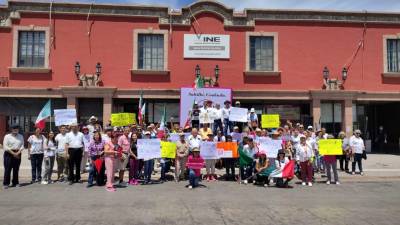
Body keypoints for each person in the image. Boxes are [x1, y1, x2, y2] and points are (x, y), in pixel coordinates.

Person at [2, 125, 24, 189]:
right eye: (14, 128)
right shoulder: (7, 136)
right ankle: (6, 183)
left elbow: (22, 145)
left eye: (17, 129)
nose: (15, 130)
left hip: (18, 153)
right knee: (8, 169)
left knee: (16, 169)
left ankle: (15, 182)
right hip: (9, 154)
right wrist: (13, 153)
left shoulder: (21, 136)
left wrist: (18, 153)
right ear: (11, 129)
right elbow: (5, 146)